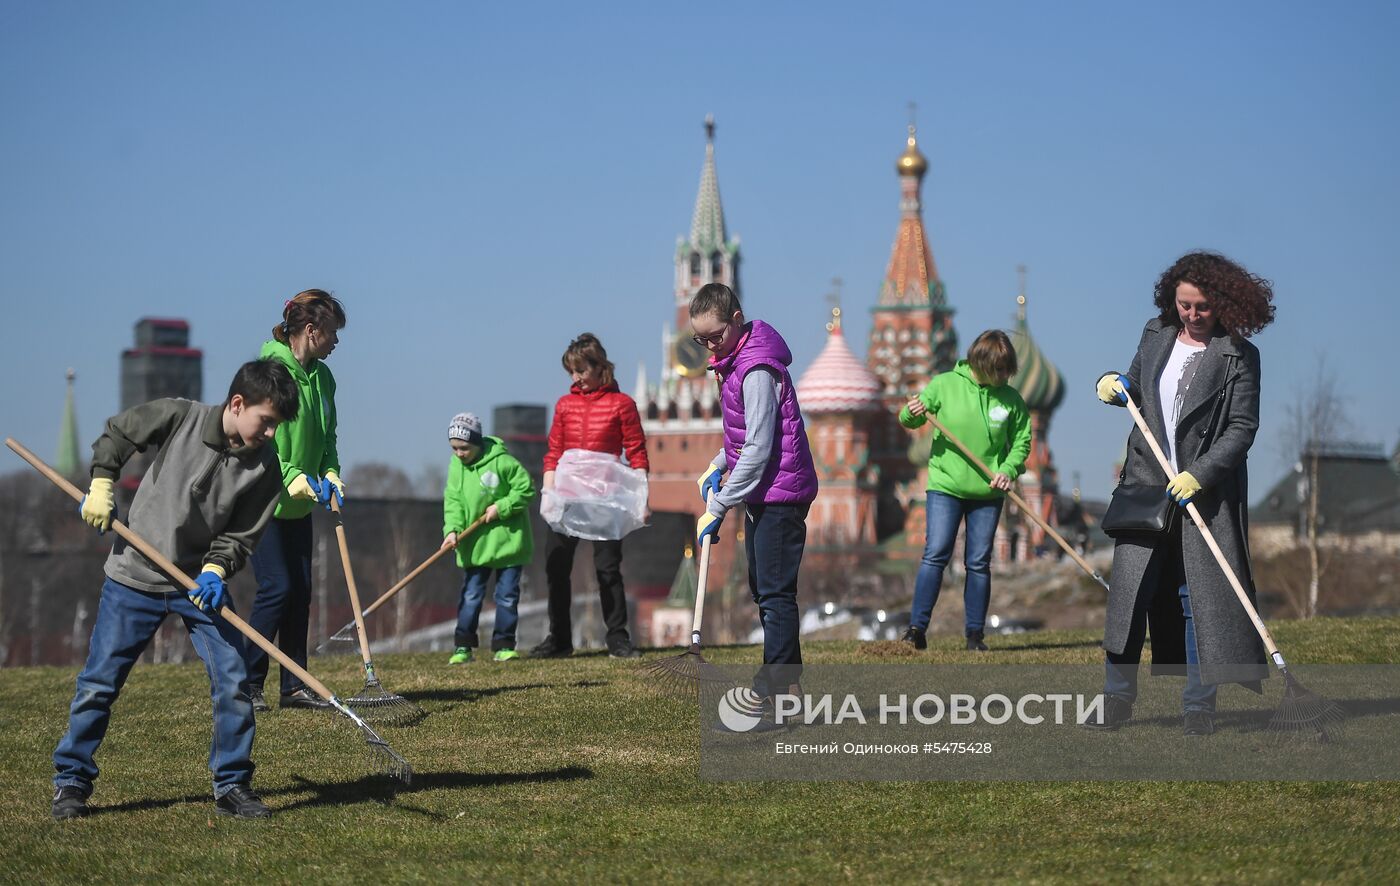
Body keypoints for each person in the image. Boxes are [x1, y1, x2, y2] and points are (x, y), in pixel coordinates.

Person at [52, 359, 300, 821]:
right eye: (266, 422)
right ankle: (71, 781)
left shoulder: (266, 468)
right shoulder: (179, 416)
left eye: (277, 426)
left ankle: (232, 785)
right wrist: (103, 482)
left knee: (235, 682)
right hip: (135, 576)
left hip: (200, 588)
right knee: (99, 684)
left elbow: (241, 536)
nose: (270, 434)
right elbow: (118, 433)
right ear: (238, 403)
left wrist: (215, 570)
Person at [1089, 250, 1275, 736]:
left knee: (1201, 600)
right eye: (1184, 305)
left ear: (1224, 305)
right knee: (1131, 597)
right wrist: (1113, 384)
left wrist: (1201, 473)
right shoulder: (1155, 334)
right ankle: (1115, 700)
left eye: (1202, 307)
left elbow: (1241, 428)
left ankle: (1199, 707)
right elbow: (1134, 388)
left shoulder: (1240, 355)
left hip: (1204, 496)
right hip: (1146, 486)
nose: (1191, 315)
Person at [691, 283, 818, 725]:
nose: (709, 346)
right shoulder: (734, 362)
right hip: (766, 491)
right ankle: (793, 697)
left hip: (782, 492)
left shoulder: (755, 369)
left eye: (715, 336)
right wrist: (716, 463)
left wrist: (721, 503)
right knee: (766, 591)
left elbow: (761, 446)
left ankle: (770, 692)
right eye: (700, 340)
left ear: (737, 320)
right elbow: (745, 437)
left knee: (776, 595)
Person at [244, 289, 346, 712]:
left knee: (301, 590)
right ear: (311, 330)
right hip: (264, 501)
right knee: (276, 589)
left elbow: (327, 438)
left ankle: (295, 684)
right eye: (333, 333)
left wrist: (330, 471)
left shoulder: (324, 379)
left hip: (299, 505)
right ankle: (246, 684)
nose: (337, 342)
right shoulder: (270, 375)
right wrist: (295, 478)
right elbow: (263, 444)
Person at [897, 330, 1032, 651]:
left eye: (1007, 370)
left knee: (978, 561)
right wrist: (911, 412)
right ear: (981, 364)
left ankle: (975, 635)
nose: (1005, 376)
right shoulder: (944, 385)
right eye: (999, 370)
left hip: (988, 491)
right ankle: (916, 630)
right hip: (946, 485)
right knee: (936, 553)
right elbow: (909, 420)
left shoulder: (1010, 399)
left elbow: (1022, 442)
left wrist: (1008, 470)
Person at [531, 333, 650, 659]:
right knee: (556, 566)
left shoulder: (622, 405)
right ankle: (559, 639)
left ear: (600, 367)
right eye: (571, 371)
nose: (576, 378)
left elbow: (636, 452)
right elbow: (553, 451)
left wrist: (641, 499)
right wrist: (549, 493)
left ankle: (618, 638)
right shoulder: (564, 405)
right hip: (567, 497)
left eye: (581, 370)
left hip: (604, 497)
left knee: (608, 569)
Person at [441, 412, 535, 664]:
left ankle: (504, 645)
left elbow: (527, 488)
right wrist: (451, 530)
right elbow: (453, 501)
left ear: (477, 443)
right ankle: (463, 647)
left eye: (464, 448)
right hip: (475, 545)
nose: (459, 453)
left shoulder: (502, 461)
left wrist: (502, 507)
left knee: (506, 595)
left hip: (508, 544)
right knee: (471, 595)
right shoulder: (455, 466)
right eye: (454, 448)